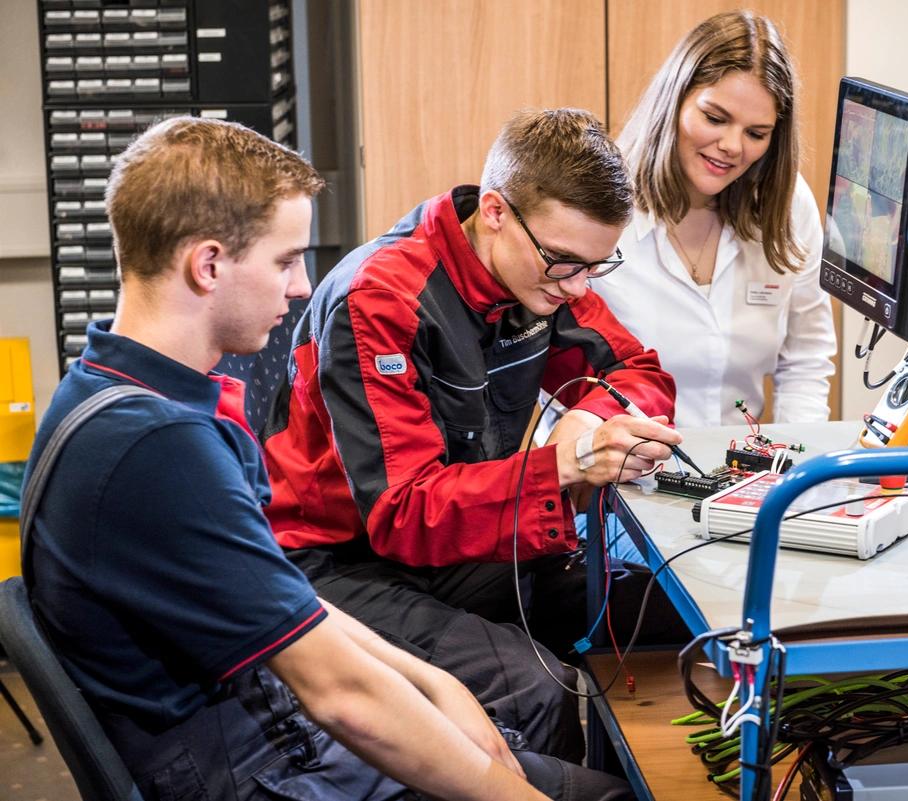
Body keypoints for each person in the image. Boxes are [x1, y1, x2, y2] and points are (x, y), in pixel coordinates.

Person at [22, 116, 628, 801]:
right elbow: (340, 694)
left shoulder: (111, 389)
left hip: (265, 722)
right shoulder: (160, 449)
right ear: (209, 264)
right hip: (259, 764)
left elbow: (286, 605)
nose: (304, 286)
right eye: (286, 260)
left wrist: (435, 679)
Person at [260, 109, 685, 770]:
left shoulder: (540, 268)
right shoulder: (379, 301)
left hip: (457, 538)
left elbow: (640, 373)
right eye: (565, 264)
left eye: (595, 269)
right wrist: (561, 466)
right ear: (494, 212)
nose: (576, 287)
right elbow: (403, 513)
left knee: (665, 615)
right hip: (339, 565)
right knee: (538, 688)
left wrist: (595, 420)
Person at [593, 10, 837, 428]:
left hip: (738, 471)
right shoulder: (599, 199)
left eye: (756, 134)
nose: (731, 146)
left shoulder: (788, 202)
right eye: (715, 118)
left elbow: (806, 360)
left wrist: (797, 466)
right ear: (675, 99)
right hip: (617, 473)